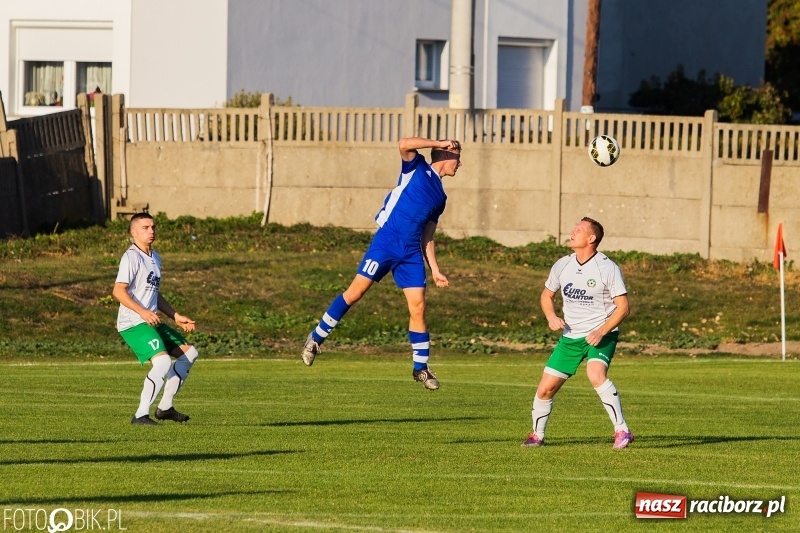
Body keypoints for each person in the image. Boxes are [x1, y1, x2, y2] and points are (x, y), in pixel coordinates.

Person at [301, 137, 463, 390]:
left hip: (410, 253)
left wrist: (436, 269)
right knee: (355, 293)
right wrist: (438, 141)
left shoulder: (440, 197)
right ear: (446, 155)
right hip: (387, 242)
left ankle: (420, 369)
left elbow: (428, 235)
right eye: (458, 157)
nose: (460, 164)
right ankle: (316, 338)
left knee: (418, 307)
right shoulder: (416, 167)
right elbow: (404, 143)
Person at [522, 217, 633, 449]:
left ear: (591, 238)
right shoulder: (562, 264)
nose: (572, 232)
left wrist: (602, 331)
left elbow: (623, 307)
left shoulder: (607, 268)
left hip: (602, 334)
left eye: (579, 230)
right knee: (545, 389)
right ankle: (537, 436)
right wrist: (551, 316)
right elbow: (546, 295)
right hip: (571, 337)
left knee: (595, 374)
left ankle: (622, 431)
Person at [113, 212, 200, 425]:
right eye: (145, 228)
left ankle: (165, 408)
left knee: (189, 354)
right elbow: (118, 291)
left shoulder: (155, 257)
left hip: (151, 320)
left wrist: (175, 315)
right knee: (161, 362)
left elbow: (154, 293)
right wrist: (142, 311)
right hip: (133, 323)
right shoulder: (131, 257)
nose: (151, 231)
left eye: (153, 227)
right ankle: (141, 415)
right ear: (133, 232)